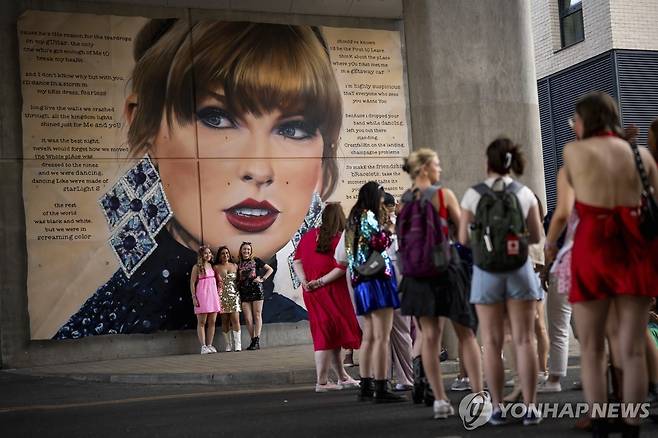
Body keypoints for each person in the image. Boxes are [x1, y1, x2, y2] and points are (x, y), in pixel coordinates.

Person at [54, 20, 343, 338]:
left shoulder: (300, 320)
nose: (260, 169)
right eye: (216, 118)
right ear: (145, 126)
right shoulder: (101, 332)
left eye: (293, 128)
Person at [562, 92, 658, 437]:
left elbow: (567, 204)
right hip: (635, 250)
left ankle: (601, 423)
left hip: (593, 248)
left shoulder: (574, 152)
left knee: (591, 347)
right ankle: (632, 426)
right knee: (632, 348)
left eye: (576, 119)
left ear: (587, 120)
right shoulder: (643, 156)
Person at [458, 137, 544, 426]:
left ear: (488, 162)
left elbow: (461, 239)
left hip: (485, 273)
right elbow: (535, 236)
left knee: (492, 342)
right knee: (524, 339)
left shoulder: (473, 195)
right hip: (520, 269)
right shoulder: (525, 193)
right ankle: (530, 408)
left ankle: (496, 408)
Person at [398, 148, 481, 419]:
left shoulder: (404, 201)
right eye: (436, 164)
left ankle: (441, 400)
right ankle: (478, 396)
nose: (440, 169)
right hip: (446, 270)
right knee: (466, 334)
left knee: (430, 337)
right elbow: (463, 234)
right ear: (423, 169)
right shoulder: (444, 195)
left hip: (417, 276)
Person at [293, 203, 362, 392]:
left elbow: (296, 261)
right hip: (333, 291)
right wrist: (321, 282)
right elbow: (342, 268)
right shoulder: (339, 239)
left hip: (311, 293)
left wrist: (306, 281)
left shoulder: (308, 237)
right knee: (327, 335)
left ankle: (342, 377)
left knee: (329, 333)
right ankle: (321, 382)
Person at [345, 181, 404, 403]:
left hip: (360, 281)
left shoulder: (352, 219)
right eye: (381, 197)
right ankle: (381, 386)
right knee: (382, 336)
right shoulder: (368, 216)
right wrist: (389, 230)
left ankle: (366, 384)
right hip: (378, 279)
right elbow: (379, 244)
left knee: (369, 336)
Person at [383, 192, 414, 391]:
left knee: (381, 333)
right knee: (402, 330)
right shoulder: (404, 225)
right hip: (401, 275)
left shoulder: (369, 225)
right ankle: (407, 377)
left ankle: (382, 378)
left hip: (381, 278)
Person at [237, 242, 273, 350]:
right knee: (248, 319)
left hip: (256, 289)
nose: (246, 251)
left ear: (251, 251)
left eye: (248, 249)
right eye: (244, 249)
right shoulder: (238, 263)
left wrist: (262, 279)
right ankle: (253, 340)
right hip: (244, 291)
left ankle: (256, 340)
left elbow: (270, 269)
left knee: (257, 315)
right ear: (241, 251)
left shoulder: (256, 260)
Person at [190, 246, 221, 354]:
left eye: (209, 253)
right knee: (202, 322)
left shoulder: (212, 266)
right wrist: (194, 297)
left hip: (213, 296)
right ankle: (203, 346)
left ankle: (209, 345)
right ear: (201, 255)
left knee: (212, 322)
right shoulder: (196, 267)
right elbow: (192, 283)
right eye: (205, 253)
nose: (208, 255)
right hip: (202, 296)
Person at [215, 246, 241, 352]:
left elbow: (240, 280)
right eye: (223, 253)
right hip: (221, 295)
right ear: (219, 256)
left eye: (227, 253)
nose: (225, 255)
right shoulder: (216, 267)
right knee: (225, 321)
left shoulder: (235, 265)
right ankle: (228, 345)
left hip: (234, 295)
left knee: (235, 320)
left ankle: (238, 344)